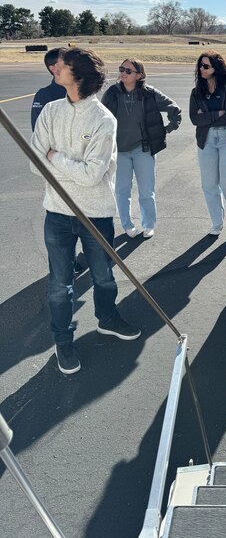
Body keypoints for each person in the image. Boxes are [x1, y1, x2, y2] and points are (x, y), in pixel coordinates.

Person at [31, 48, 141, 375]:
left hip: (96, 214)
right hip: (57, 214)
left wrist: (56, 158)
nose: (55, 68)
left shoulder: (103, 120)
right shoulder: (50, 110)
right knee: (60, 285)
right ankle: (63, 341)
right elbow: (36, 163)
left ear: (77, 74)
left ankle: (107, 319)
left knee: (104, 278)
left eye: (61, 65)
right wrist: (57, 162)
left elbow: (93, 175)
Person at [101, 59, 181, 239]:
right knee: (122, 190)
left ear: (139, 75)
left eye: (128, 71)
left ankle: (148, 224)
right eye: (121, 69)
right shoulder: (112, 93)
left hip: (143, 149)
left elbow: (175, 110)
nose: (123, 73)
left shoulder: (149, 93)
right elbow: (100, 117)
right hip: (119, 151)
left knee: (146, 191)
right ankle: (127, 225)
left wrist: (166, 130)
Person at [189, 51, 226, 236]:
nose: (201, 69)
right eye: (200, 66)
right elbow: (194, 119)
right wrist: (216, 114)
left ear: (216, 68)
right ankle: (216, 222)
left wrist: (206, 117)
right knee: (209, 183)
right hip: (206, 140)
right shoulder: (197, 92)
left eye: (206, 66)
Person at [31, 47, 68, 130]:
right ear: (54, 69)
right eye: (67, 63)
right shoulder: (44, 95)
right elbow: (38, 129)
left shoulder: (80, 90)